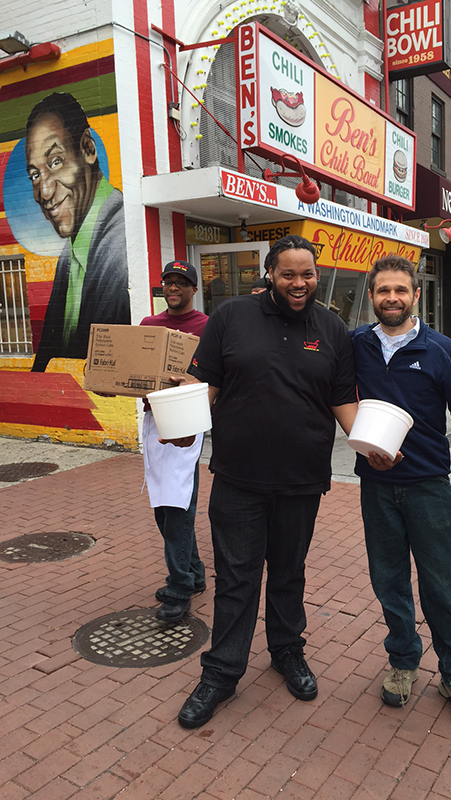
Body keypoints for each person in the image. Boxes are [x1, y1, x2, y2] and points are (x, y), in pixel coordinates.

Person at [173, 235, 357, 728]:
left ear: (317, 276)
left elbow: (343, 401)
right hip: (238, 476)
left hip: (302, 478)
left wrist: (373, 445)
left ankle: (287, 651)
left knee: (289, 571)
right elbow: (205, 384)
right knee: (236, 578)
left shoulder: (333, 328)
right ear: (270, 274)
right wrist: (176, 418)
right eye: (289, 274)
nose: (299, 284)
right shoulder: (231, 317)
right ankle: (222, 673)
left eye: (308, 275)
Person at [351, 255, 451, 730]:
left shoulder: (441, 349)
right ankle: (404, 661)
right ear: (371, 296)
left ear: (414, 295)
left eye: (400, 290)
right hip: (375, 487)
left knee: (444, 590)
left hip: (429, 488)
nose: (391, 298)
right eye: (382, 290)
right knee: (389, 582)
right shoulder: (357, 345)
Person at [27, 92, 130, 372]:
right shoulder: (70, 254)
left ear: (87, 148)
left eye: (56, 161)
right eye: (35, 175)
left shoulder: (120, 241)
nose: (45, 192)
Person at [140, 261, 209, 623]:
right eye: (168, 281)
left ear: (193, 290)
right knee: (161, 506)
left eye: (182, 282)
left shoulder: (207, 327)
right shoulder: (148, 327)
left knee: (177, 506)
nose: (173, 287)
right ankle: (194, 572)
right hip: (153, 423)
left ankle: (180, 587)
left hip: (186, 423)